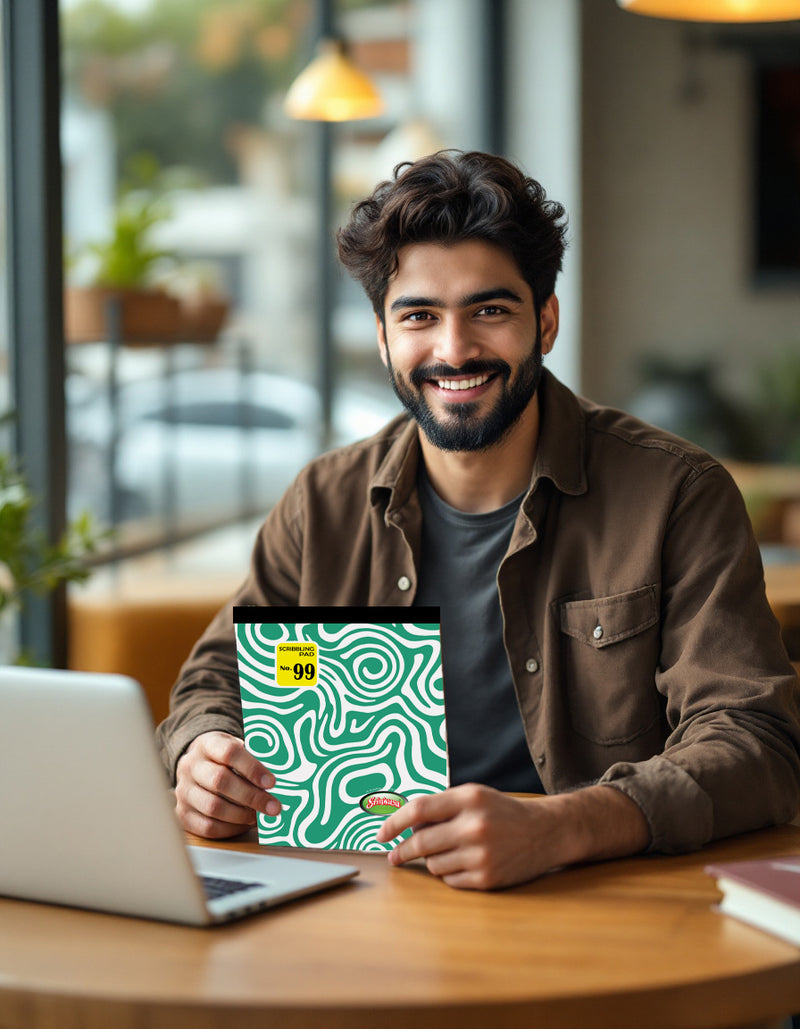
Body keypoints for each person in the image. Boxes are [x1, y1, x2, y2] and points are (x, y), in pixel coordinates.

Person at [156, 150, 800, 891]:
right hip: (364, 895)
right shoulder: (323, 501)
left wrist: (564, 826)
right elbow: (216, 677)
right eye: (420, 316)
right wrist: (205, 750)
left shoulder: (677, 494)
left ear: (546, 320)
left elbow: (756, 741)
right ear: (382, 337)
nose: (454, 348)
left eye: (489, 311)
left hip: (595, 896)